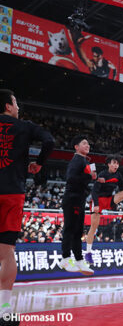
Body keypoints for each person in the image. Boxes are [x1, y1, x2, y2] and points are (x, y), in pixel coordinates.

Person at [0, 89, 54, 319]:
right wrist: (39, 163)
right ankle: (4, 310)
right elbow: (49, 141)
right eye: (16, 102)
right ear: (8, 106)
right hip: (12, 193)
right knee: (6, 252)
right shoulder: (25, 126)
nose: (19, 107)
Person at [85, 155, 123, 264]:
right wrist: (96, 204)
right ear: (108, 164)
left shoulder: (118, 175)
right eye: (114, 163)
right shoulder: (102, 174)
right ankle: (88, 254)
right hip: (98, 201)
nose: (116, 165)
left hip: (109, 199)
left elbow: (122, 189)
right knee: (93, 228)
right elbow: (94, 191)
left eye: (117, 163)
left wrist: (121, 200)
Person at [60, 135, 96, 275]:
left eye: (88, 144)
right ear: (76, 147)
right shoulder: (77, 160)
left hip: (79, 199)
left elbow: (83, 181)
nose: (87, 146)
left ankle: (80, 260)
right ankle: (65, 258)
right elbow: (71, 178)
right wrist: (88, 177)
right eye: (84, 143)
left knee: (78, 232)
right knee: (70, 229)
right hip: (72, 199)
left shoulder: (84, 161)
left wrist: (90, 181)